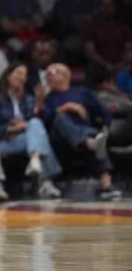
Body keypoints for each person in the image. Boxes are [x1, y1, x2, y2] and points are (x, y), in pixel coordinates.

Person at [43, 63, 122, 200]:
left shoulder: (82, 92)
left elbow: (104, 114)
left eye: (52, 73)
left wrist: (105, 129)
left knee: (97, 137)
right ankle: (87, 142)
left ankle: (106, 186)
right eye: (46, 74)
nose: (48, 77)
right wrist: (66, 107)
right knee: (60, 118)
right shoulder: (49, 98)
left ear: (65, 75)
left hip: (86, 132)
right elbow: (46, 120)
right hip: (60, 138)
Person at [0, 63, 62, 198]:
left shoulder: (29, 99)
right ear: (8, 76)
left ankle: (35, 161)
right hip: (4, 142)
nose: (22, 77)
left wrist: (39, 105)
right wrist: (18, 127)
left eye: (24, 75)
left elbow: (39, 126)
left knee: (36, 127)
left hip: (27, 141)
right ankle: (46, 181)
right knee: (39, 137)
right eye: (18, 73)